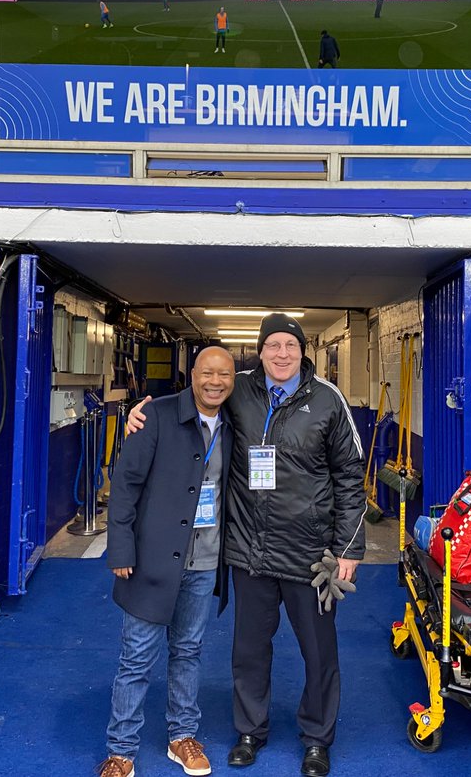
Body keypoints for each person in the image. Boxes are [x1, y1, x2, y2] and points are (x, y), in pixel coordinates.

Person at [128, 313, 366, 777]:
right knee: (249, 649)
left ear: (302, 352)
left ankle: (317, 738)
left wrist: (349, 549)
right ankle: (249, 731)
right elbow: (199, 394)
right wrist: (145, 409)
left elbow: (351, 478)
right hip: (250, 551)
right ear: (260, 351)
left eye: (290, 346)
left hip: (311, 555)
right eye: (273, 345)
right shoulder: (240, 389)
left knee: (319, 652)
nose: (282, 354)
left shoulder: (327, 400)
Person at [98, 346, 236, 777]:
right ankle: (120, 751)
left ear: (235, 379)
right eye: (207, 373)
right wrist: (120, 548)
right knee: (137, 656)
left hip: (206, 559)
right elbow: (125, 485)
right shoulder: (155, 415)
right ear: (191, 375)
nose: (215, 382)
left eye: (225, 375)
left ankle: (182, 736)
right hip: (153, 558)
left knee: (188, 651)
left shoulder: (236, 423)